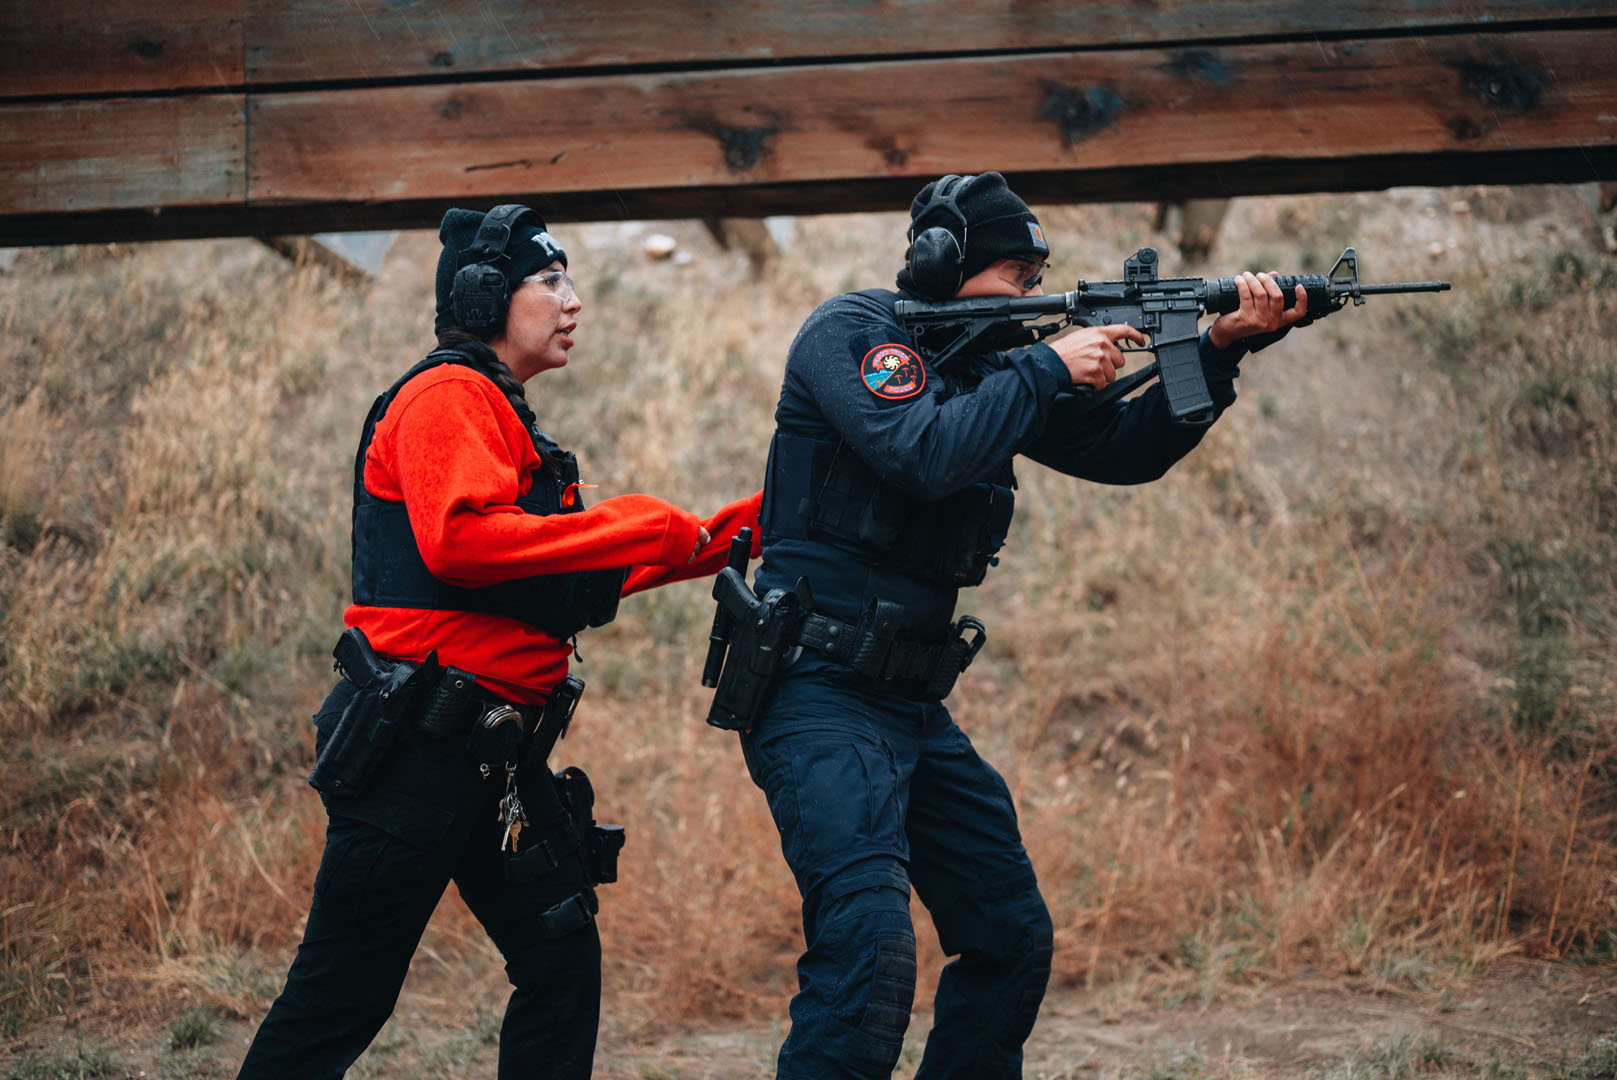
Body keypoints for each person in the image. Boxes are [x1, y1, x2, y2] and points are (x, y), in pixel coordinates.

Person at [735, 172, 1306, 1078]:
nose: (1032, 295)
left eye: (1039, 274)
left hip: (908, 702)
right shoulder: (855, 334)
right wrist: (1046, 366)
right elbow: (921, 453)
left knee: (1007, 938)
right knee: (869, 954)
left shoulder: (990, 364)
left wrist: (1222, 347)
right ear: (939, 263)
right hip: (817, 691)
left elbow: (1123, 451)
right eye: (1013, 273)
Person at [237, 204, 760, 1080]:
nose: (573, 302)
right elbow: (461, 543)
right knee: (339, 998)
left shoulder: (502, 416)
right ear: (483, 298)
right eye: (550, 281)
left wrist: (757, 521)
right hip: (418, 756)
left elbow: (570, 572)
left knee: (560, 967)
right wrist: (637, 526)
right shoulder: (449, 395)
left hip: (493, 761)